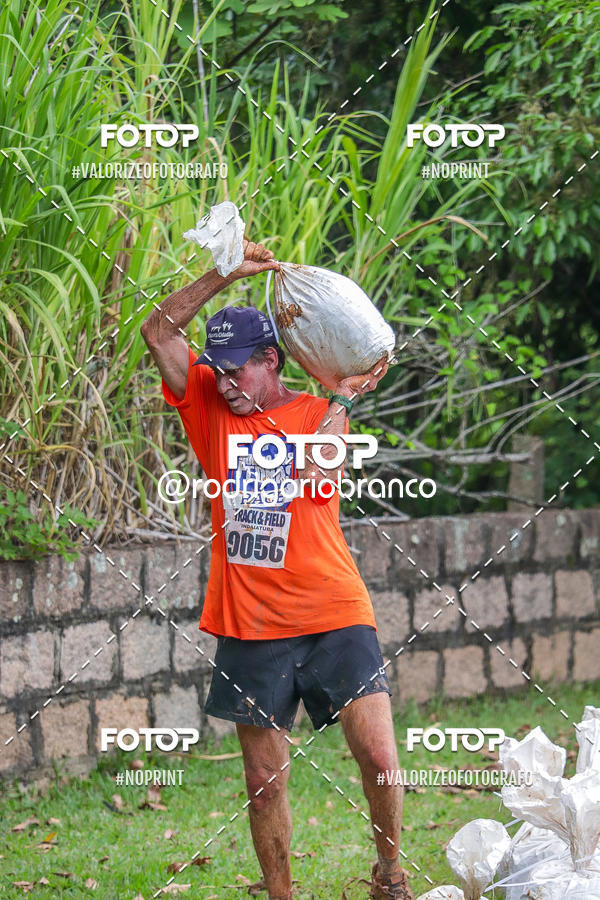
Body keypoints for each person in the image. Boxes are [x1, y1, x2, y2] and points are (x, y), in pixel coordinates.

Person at [140, 239, 414, 900]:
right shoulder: (205, 404)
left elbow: (320, 469)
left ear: (271, 361)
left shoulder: (318, 413)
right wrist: (224, 272)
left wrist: (345, 392)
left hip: (334, 610)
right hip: (252, 624)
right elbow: (157, 330)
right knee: (264, 784)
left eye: (240, 373)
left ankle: (391, 875)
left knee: (379, 759)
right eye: (220, 371)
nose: (228, 384)